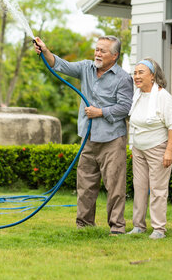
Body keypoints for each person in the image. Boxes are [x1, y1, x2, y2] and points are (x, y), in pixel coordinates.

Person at [33, 36, 133, 235]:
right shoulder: (86, 68)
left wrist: (101, 112)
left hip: (112, 139)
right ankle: (84, 225)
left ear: (115, 55)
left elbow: (125, 107)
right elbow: (61, 65)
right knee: (85, 183)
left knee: (115, 187)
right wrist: (45, 50)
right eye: (96, 49)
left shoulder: (123, 78)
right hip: (88, 138)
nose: (97, 54)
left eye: (102, 51)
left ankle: (117, 228)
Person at [127, 58, 172, 239]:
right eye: (135, 73)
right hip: (139, 149)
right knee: (139, 187)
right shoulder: (138, 95)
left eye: (141, 72)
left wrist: (169, 151)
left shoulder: (163, 96)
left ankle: (158, 229)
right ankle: (138, 226)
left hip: (158, 148)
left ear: (152, 76)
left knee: (158, 190)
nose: (136, 76)